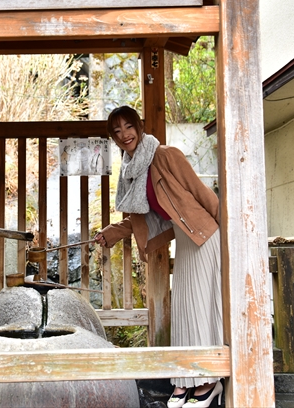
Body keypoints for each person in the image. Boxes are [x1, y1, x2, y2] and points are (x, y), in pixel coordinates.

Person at [93, 106, 223, 408]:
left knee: (201, 307)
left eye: (128, 127)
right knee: (185, 311)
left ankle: (209, 380)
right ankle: (186, 380)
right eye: (117, 131)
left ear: (139, 127)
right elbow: (145, 214)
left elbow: (203, 195)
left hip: (205, 236)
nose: (124, 134)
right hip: (187, 241)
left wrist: (230, 236)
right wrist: (114, 232)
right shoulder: (131, 170)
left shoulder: (165, 155)